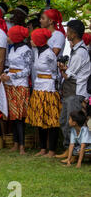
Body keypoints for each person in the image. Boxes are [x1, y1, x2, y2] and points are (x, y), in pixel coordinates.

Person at [57, 20, 91, 158]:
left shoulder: (80, 53)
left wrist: (62, 70)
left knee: (72, 122)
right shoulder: (75, 50)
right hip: (71, 90)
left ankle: (75, 151)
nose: (66, 33)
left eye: (68, 31)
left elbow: (69, 75)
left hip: (76, 91)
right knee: (64, 121)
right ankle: (68, 149)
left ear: (74, 33)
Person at [26, 28, 61, 157]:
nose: (30, 41)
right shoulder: (36, 51)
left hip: (48, 88)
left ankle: (51, 150)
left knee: (51, 119)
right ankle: (42, 148)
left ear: (39, 40)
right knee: (39, 117)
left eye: (33, 39)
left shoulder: (49, 54)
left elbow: (54, 72)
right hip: (38, 86)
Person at [0, 26, 32, 155]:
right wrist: (5, 73)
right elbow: (11, 66)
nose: (7, 38)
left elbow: (27, 70)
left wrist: (12, 75)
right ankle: (15, 143)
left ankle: (22, 145)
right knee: (13, 116)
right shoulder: (12, 49)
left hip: (20, 84)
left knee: (19, 117)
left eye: (9, 35)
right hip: (10, 83)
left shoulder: (26, 50)